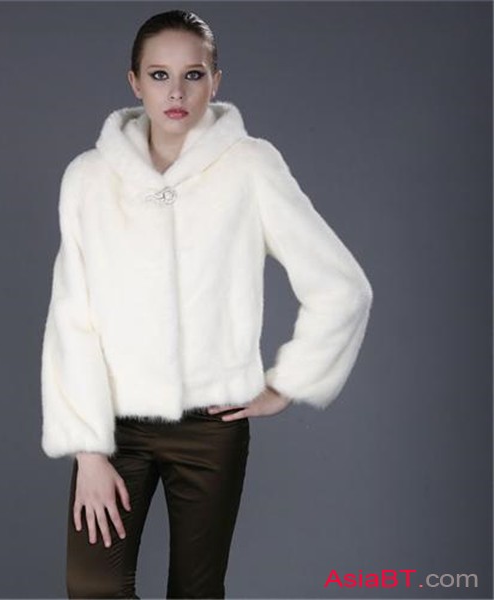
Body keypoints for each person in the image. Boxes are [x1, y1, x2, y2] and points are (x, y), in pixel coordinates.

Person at [40, 9, 373, 599]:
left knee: (197, 592)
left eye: (192, 75)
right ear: (134, 82)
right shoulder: (89, 178)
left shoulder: (250, 166)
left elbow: (342, 285)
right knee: (92, 586)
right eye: (159, 75)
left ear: (215, 81)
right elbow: (73, 315)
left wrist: (286, 383)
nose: (176, 92)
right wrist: (88, 449)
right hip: (114, 427)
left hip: (210, 430)